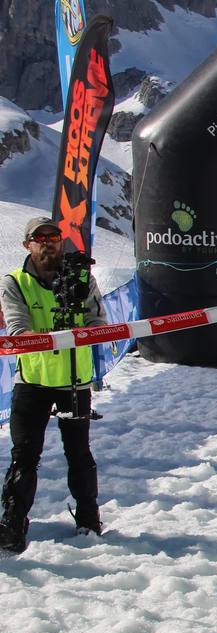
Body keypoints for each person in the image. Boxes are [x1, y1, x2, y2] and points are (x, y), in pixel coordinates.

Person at [0, 217, 109, 553]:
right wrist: (59, 338)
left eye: (54, 236)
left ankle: (89, 522)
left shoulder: (81, 277)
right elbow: (18, 331)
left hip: (74, 381)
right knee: (24, 456)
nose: (48, 242)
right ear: (27, 244)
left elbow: (99, 323)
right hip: (33, 381)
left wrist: (82, 329)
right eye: (40, 237)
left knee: (79, 454)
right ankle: (13, 526)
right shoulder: (15, 282)